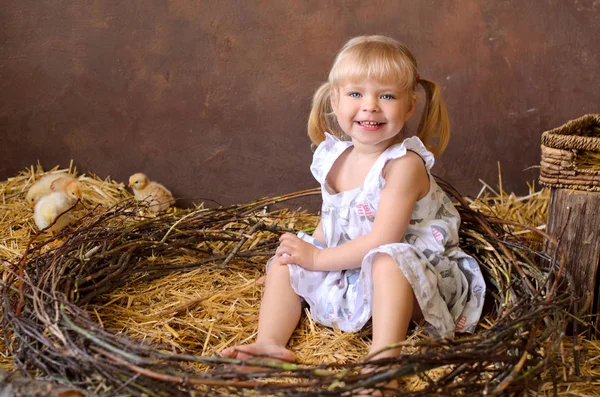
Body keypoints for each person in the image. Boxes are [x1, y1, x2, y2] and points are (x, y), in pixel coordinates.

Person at [221, 35, 485, 376]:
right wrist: (308, 251)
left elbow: (382, 240)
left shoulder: (403, 165)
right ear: (335, 99)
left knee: (388, 260)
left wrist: (316, 258)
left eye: (386, 96)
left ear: (409, 106)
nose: (370, 105)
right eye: (356, 94)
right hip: (353, 268)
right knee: (285, 259)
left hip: (418, 279)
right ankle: (270, 343)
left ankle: (382, 364)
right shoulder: (334, 158)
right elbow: (331, 224)